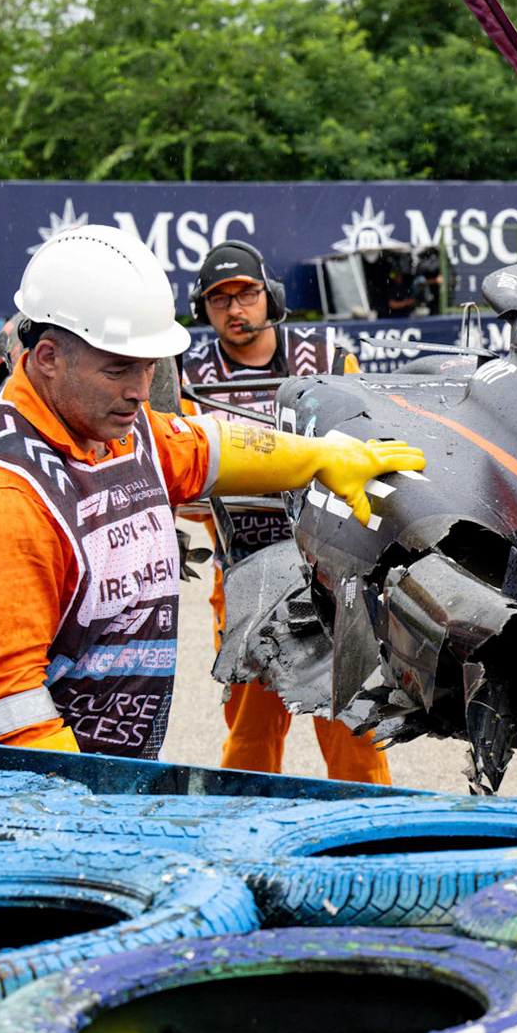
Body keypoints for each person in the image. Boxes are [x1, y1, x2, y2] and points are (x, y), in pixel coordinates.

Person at [0, 227, 424, 757]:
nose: (140, 391)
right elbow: (6, 710)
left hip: (93, 775)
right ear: (48, 358)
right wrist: (92, 802)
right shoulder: (0, 500)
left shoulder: (114, 428)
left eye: (149, 368)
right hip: (20, 795)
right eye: (119, 370)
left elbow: (209, 446)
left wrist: (321, 458)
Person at [179, 240, 390, 783]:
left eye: (246, 293)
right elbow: (182, 483)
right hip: (246, 574)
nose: (234, 309)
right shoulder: (187, 377)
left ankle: (375, 823)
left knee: (354, 730)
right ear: (203, 309)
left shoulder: (328, 356)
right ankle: (244, 827)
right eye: (219, 299)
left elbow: (368, 443)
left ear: (270, 296)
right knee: (251, 736)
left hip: (335, 572)